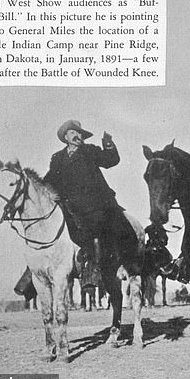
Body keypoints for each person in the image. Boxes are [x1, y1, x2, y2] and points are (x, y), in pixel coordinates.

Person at [44, 120, 138, 287]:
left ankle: (92, 269)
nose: (77, 136)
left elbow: (111, 160)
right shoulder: (57, 158)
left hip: (95, 204)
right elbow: (50, 180)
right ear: (66, 137)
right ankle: (32, 277)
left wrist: (108, 143)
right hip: (68, 205)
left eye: (79, 133)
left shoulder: (89, 151)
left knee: (96, 229)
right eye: (73, 132)